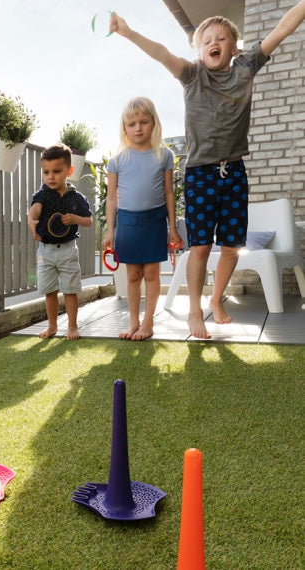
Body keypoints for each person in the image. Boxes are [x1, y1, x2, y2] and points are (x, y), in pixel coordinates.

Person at [109, 2, 305, 339]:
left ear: (234, 47)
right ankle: (195, 312)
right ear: (199, 50)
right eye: (207, 40)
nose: (214, 43)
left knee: (231, 246)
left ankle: (216, 299)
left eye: (221, 38)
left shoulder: (246, 66)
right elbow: (161, 53)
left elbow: (283, 29)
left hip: (234, 172)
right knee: (200, 247)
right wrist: (128, 32)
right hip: (200, 173)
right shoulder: (192, 75)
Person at [102, 97, 182, 341]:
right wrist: (109, 231)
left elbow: (169, 193)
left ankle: (148, 322)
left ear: (154, 123)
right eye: (132, 124)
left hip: (154, 222)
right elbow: (111, 199)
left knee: (152, 274)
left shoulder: (164, 155)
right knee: (133, 276)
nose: (138, 128)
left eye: (144, 122)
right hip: (127, 224)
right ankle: (134, 321)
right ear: (124, 128)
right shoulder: (117, 160)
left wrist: (173, 227)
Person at [28, 143, 93, 340]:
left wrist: (75, 219)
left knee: (70, 290)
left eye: (56, 171)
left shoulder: (76, 198)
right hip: (45, 251)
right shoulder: (42, 195)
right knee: (49, 291)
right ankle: (52, 326)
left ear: (69, 171)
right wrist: (31, 221)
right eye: (46, 172)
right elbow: (34, 210)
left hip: (68, 250)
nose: (51, 177)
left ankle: (72, 326)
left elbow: (88, 221)